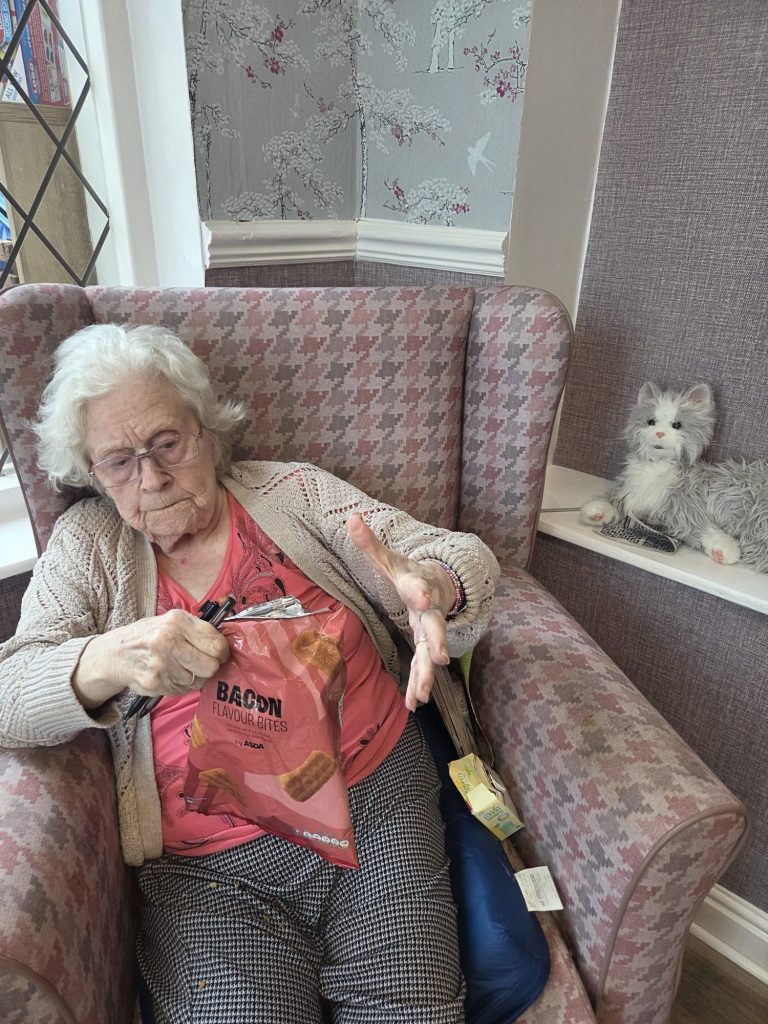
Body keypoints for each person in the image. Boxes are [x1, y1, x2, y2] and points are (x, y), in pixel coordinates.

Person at [0, 323, 499, 1024]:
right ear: (92, 472)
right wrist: (110, 657)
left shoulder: (293, 493)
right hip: (209, 871)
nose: (151, 477)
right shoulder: (88, 544)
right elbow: (9, 695)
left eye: (167, 443)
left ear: (207, 433)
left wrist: (434, 584)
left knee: (411, 1009)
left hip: (374, 802)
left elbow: (446, 552)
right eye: (118, 461)